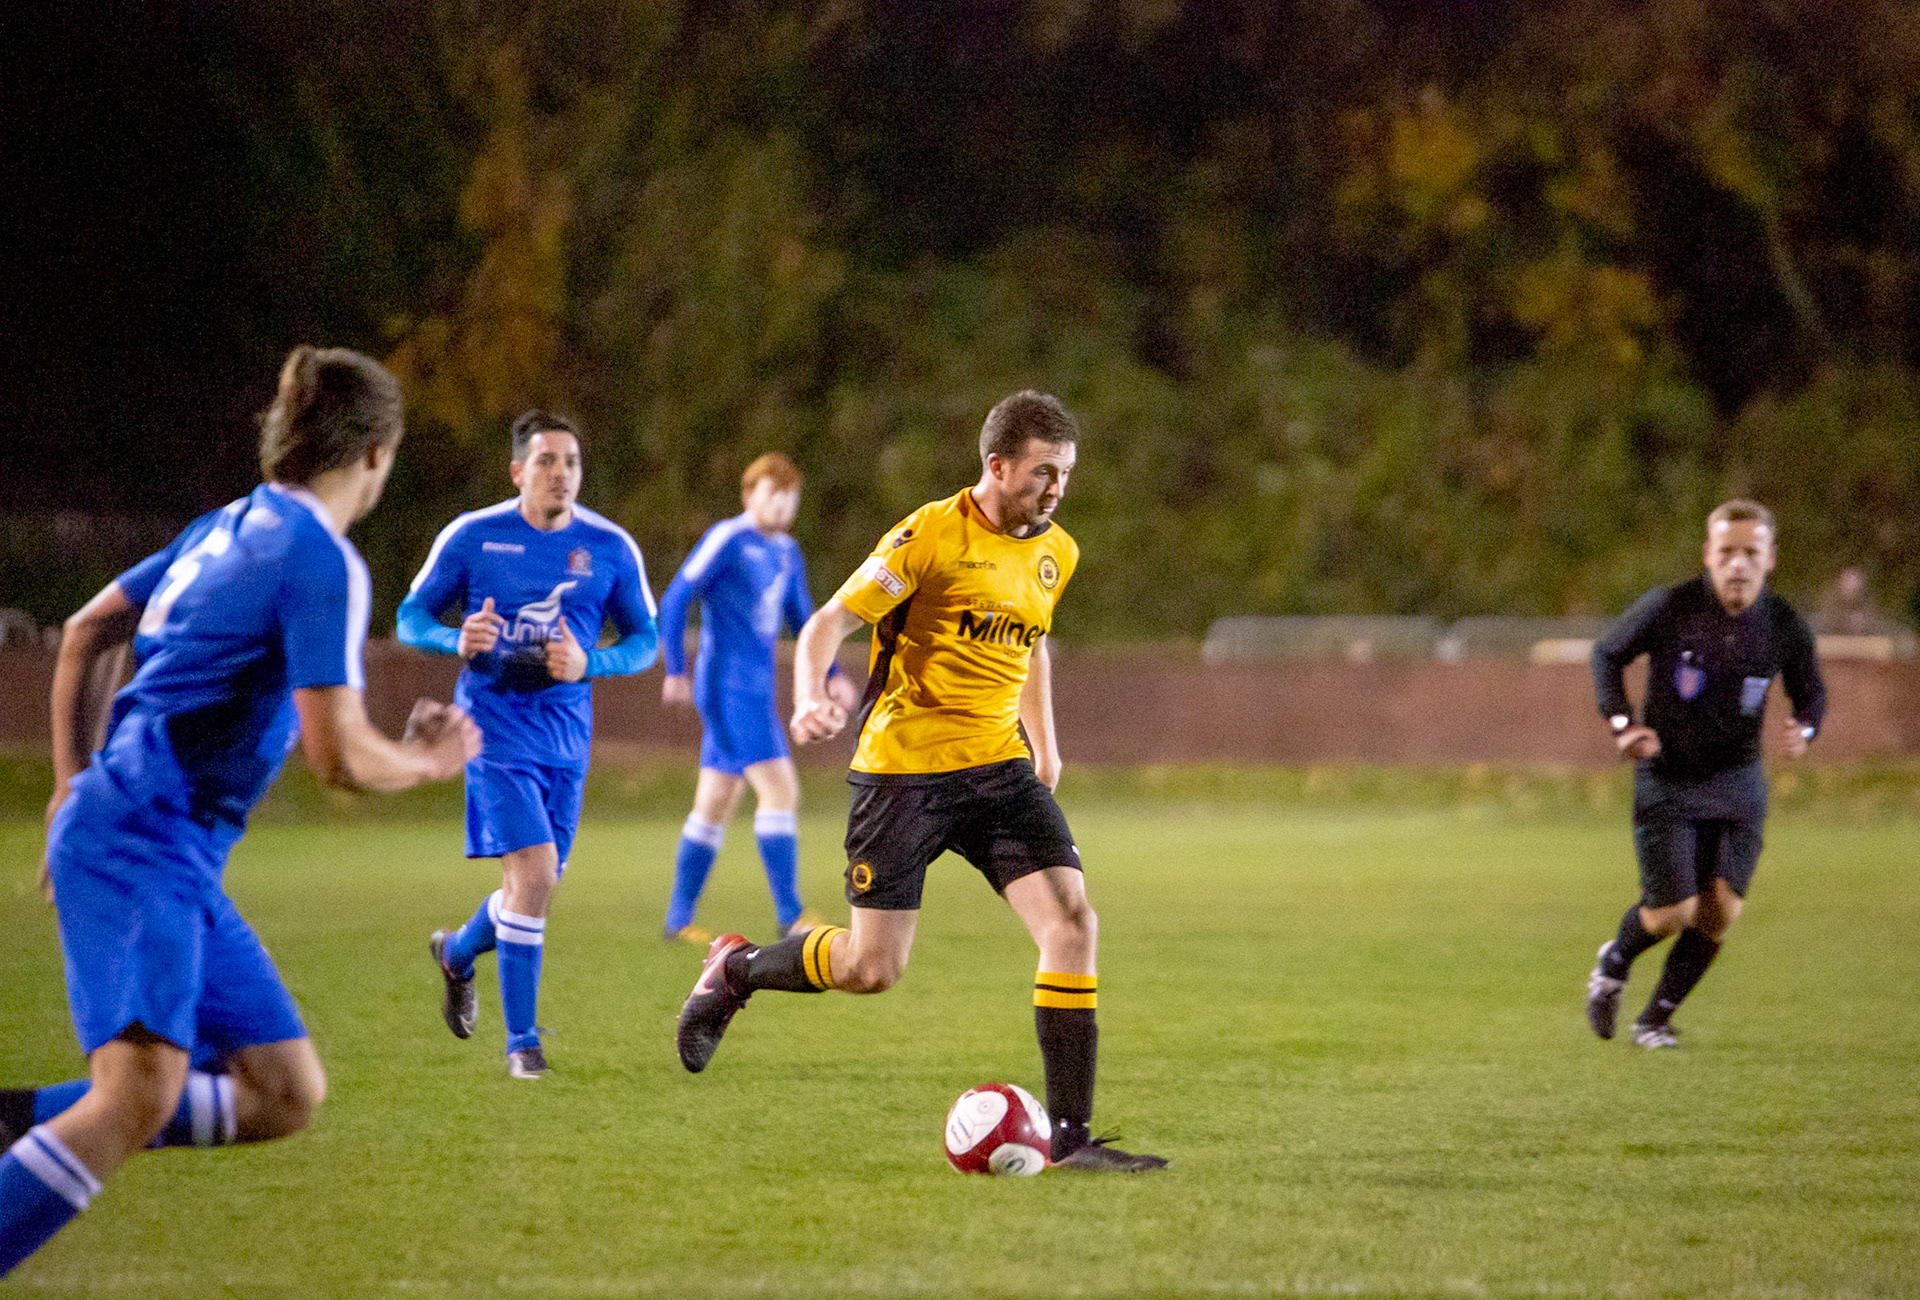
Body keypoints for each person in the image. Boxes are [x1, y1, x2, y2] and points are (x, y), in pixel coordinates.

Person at [0, 346, 479, 1276]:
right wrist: (432, 760)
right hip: (144, 838)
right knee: (136, 1095)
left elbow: (89, 630)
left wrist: (67, 785)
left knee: (284, 1091)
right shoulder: (320, 559)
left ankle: (17, 1123)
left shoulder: (227, 526)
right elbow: (338, 756)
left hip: (156, 844)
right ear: (374, 454)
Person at [674, 391, 1167, 1172]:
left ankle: (1072, 1143)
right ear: (997, 465)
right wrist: (808, 696)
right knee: (872, 970)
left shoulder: (1058, 552)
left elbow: (1032, 644)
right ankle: (736, 969)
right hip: (903, 773)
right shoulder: (929, 534)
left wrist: (1045, 746)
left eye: (1066, 473)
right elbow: (829, 622)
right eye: (1044, 471)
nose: (1057, 488)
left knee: (1072, 924)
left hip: (998, 769)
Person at [399, 411, 659, 1079]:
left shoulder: (609, 546)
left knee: (531, 887)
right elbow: (410, 616)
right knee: (536, 877)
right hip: (490, 730)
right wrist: (454, 639)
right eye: (546, 461)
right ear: (518, 472)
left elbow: (646, 641)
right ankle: (523, 1045)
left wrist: (591, 663)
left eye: (571, 462)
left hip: (566, 739)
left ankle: (457, 953)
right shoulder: (473, 536)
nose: (560, 474)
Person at [1585, 499, 1826, 1049]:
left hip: (1739, 781)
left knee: (1720, 912)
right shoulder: (1671, 607)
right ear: (1707, 555)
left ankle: (1653, 1022)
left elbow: (1811, 691)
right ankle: (1615, 961)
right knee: (1672, 913)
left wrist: (1806, 728)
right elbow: (1606, 654)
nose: (1738, 564)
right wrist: (1623, 724)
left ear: (1770, 558)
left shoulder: (1782, 624)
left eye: (1751, 553)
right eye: (1726, 552)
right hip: (1669, 778)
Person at [657, 453, 858, 944]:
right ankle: (791, 917)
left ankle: (678, 921)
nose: (783, 505)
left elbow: (803, 618)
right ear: (749, 495)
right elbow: (677, 597)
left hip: (756, 689)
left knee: (715, 801)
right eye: (773, 494)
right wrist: (676, 668)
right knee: (781, 790)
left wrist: (831, 673)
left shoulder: (787, 552)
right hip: (726, 687)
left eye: (791, 497)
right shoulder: (728, 538)